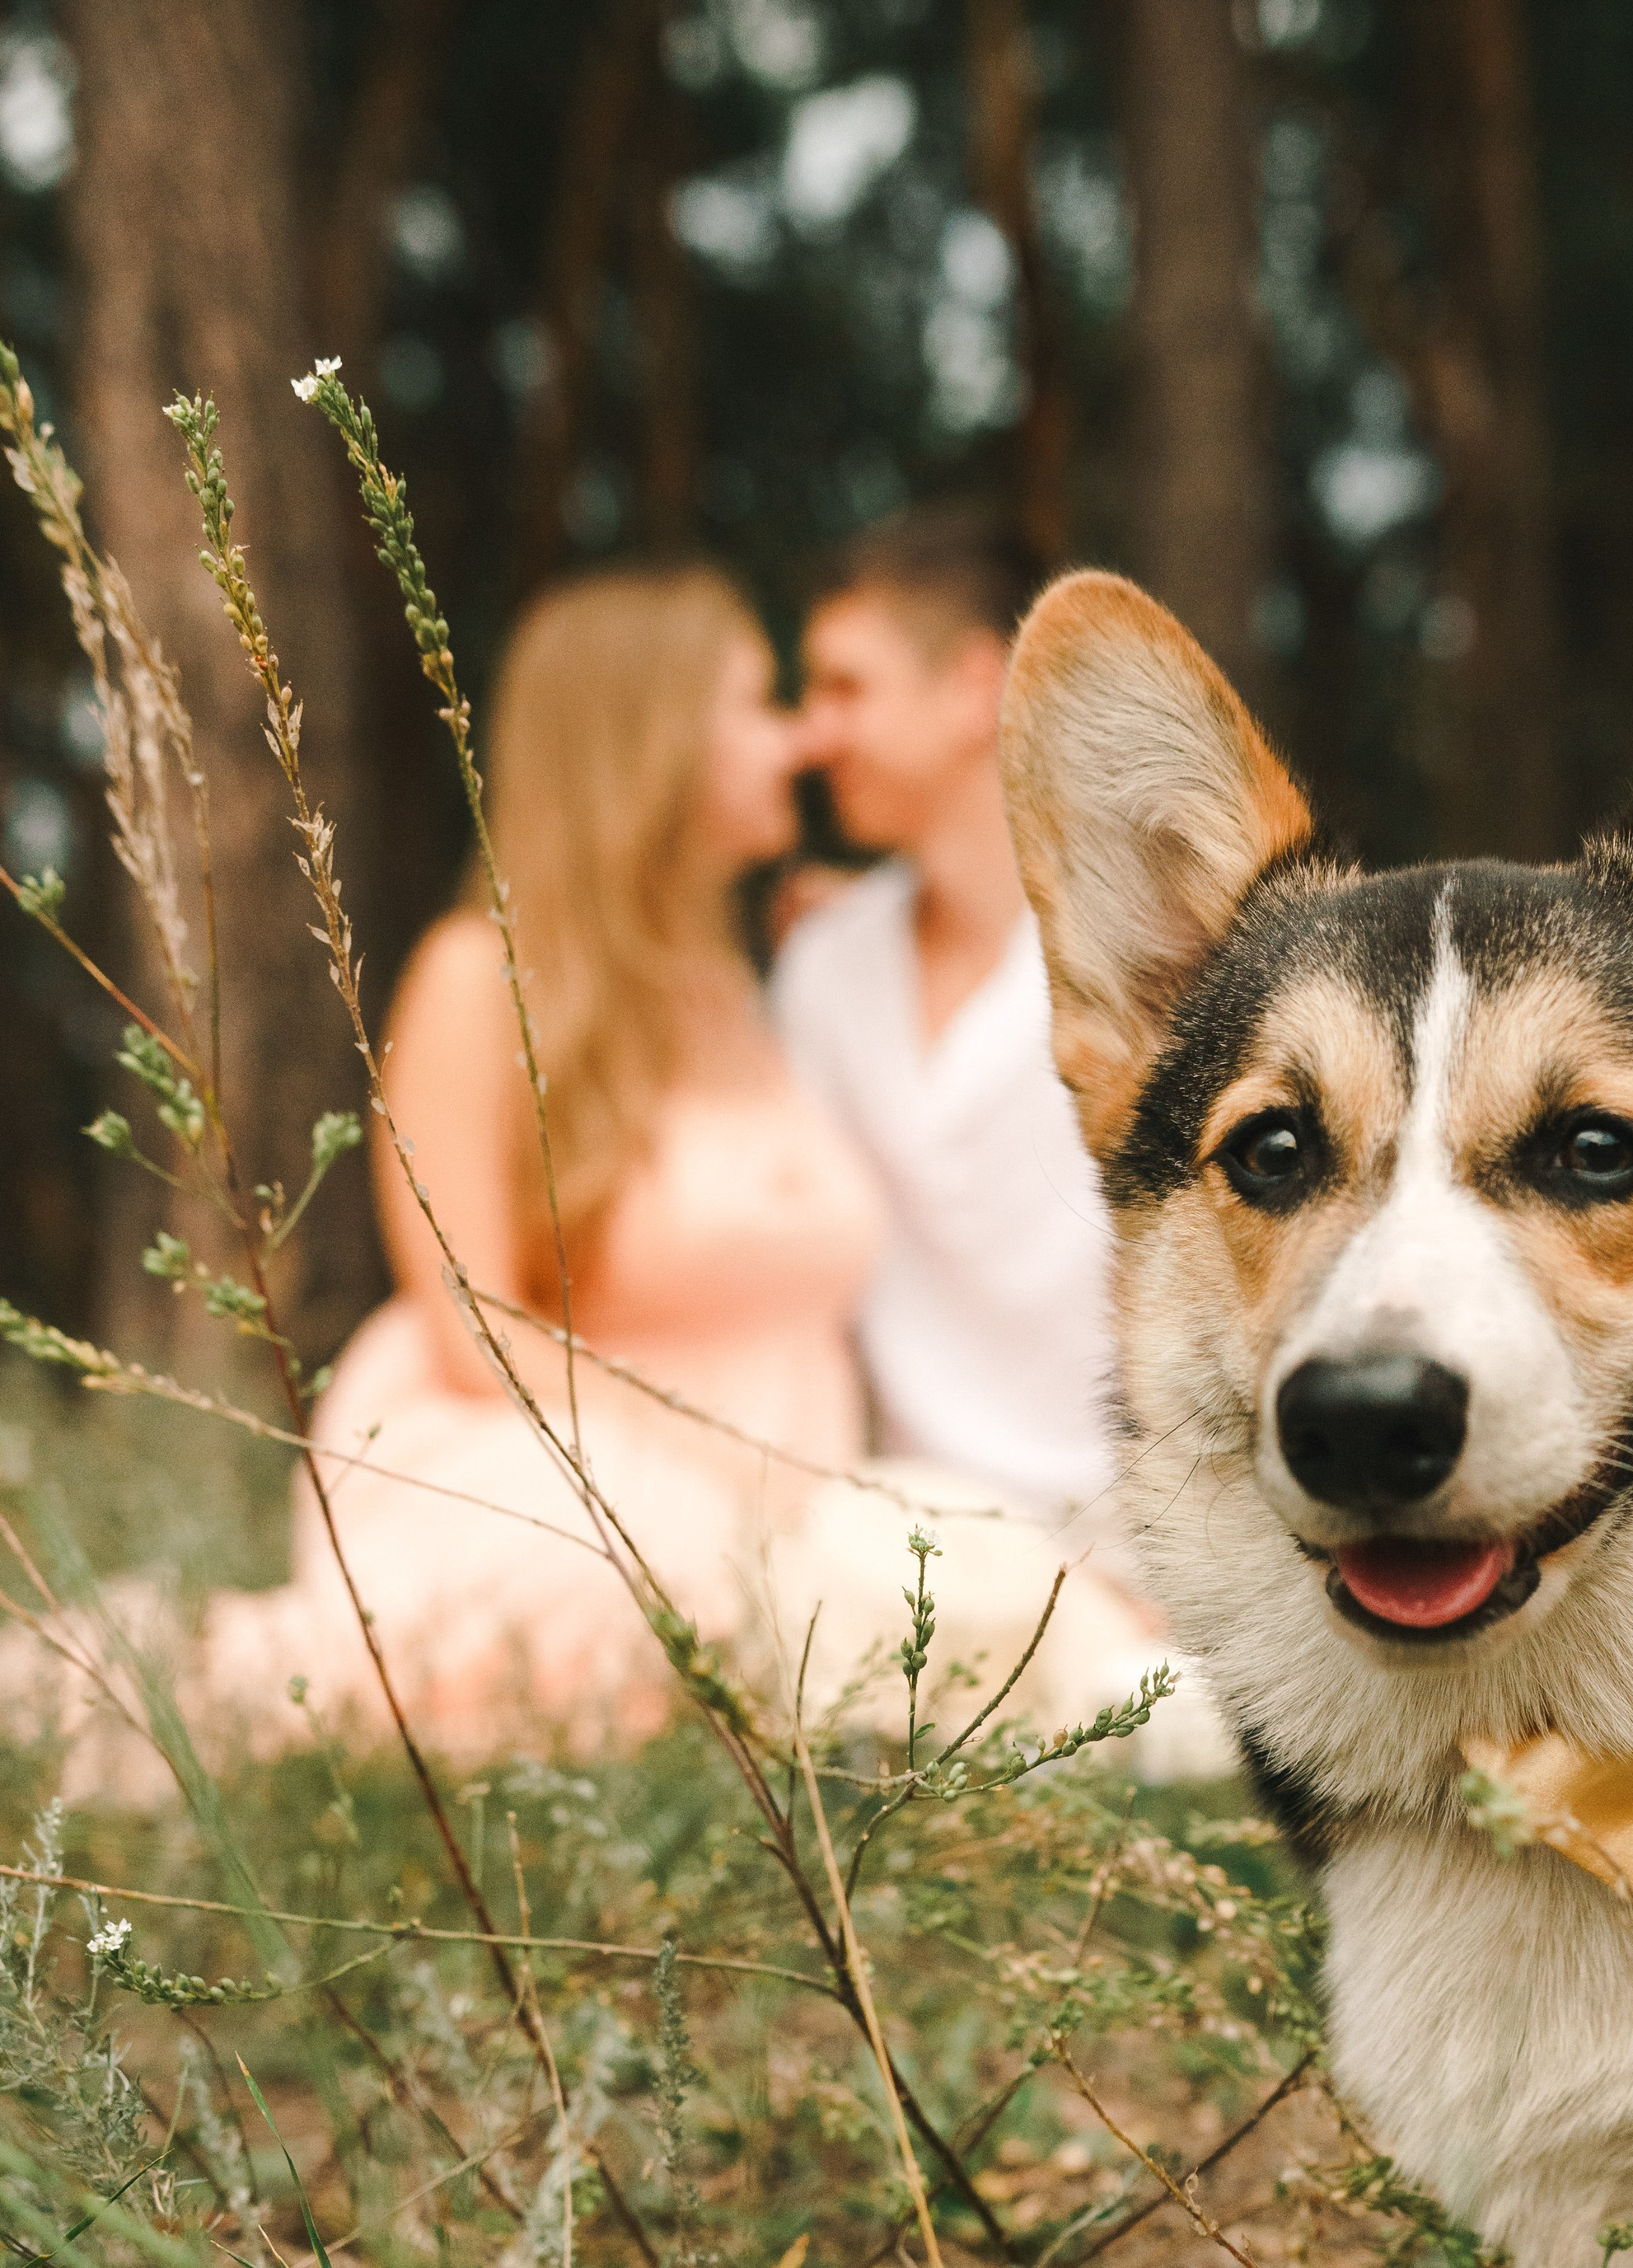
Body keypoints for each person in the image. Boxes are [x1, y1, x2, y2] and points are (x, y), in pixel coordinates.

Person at [36, 561, 1195, 1789]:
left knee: (906, 1609)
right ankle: (111, 1700)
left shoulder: (767, 983)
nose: (800, 740)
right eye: (761, 703)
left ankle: (1148, 1703)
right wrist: (746, 1478)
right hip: (557, 1455)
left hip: (782, 1493)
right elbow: (467, 1318)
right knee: (591, 1631)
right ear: (658, 739)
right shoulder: (478, 979)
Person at [772, 508, 1116, 1527]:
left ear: (974, 687)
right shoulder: (823, 967)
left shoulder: (1140, 963)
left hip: (1139, 1561)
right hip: (897, 1540)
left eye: (845, 687)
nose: (812, 733)